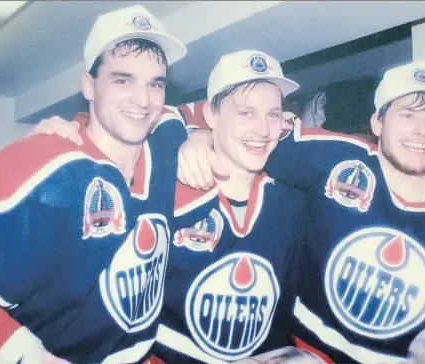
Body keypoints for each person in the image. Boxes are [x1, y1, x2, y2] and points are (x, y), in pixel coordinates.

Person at [176, 60, 425, 363]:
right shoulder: (335, 159)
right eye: (407, 115)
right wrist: (197, 136)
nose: (422, 131)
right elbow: (243, 132)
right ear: (377, 122)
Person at [27, 50, 319, 364]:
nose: (263, 129)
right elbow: (116, 130)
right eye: (246, 113)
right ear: (210, 115)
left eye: (273, 114)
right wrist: (61, 136)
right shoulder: (160, 187)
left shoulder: (293, 202)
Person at [0, 4, 187, 363]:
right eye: (123, 80)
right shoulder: (40, 163)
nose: (143, 100)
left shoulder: (167, 153)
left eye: (155, 84)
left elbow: (222, 119)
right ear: (89, 85)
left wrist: (201, 136)